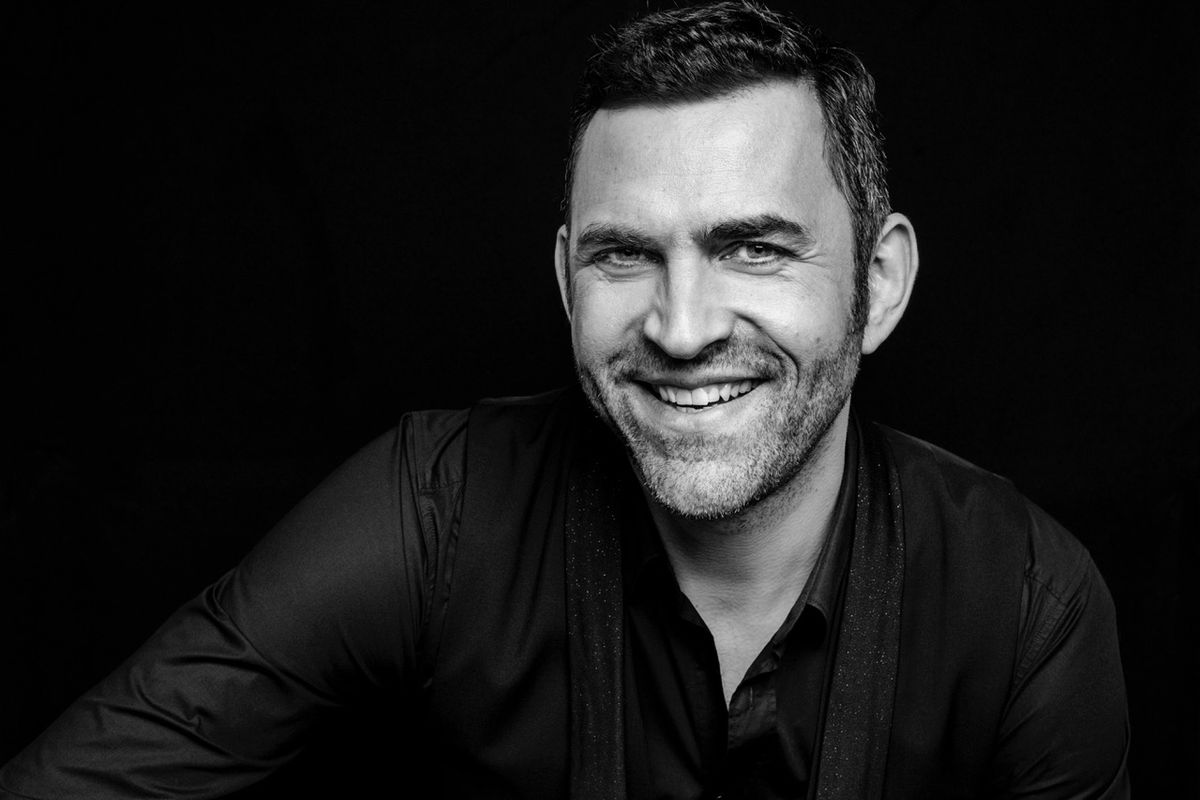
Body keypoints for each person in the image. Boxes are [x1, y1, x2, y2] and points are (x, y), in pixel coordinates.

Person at [1, 2, 1130, 798]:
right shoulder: (437, 508)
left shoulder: (1028, 601)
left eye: (752, 248)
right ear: (564, 280)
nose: (681, 328)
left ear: (877, 284)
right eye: (624, 255)